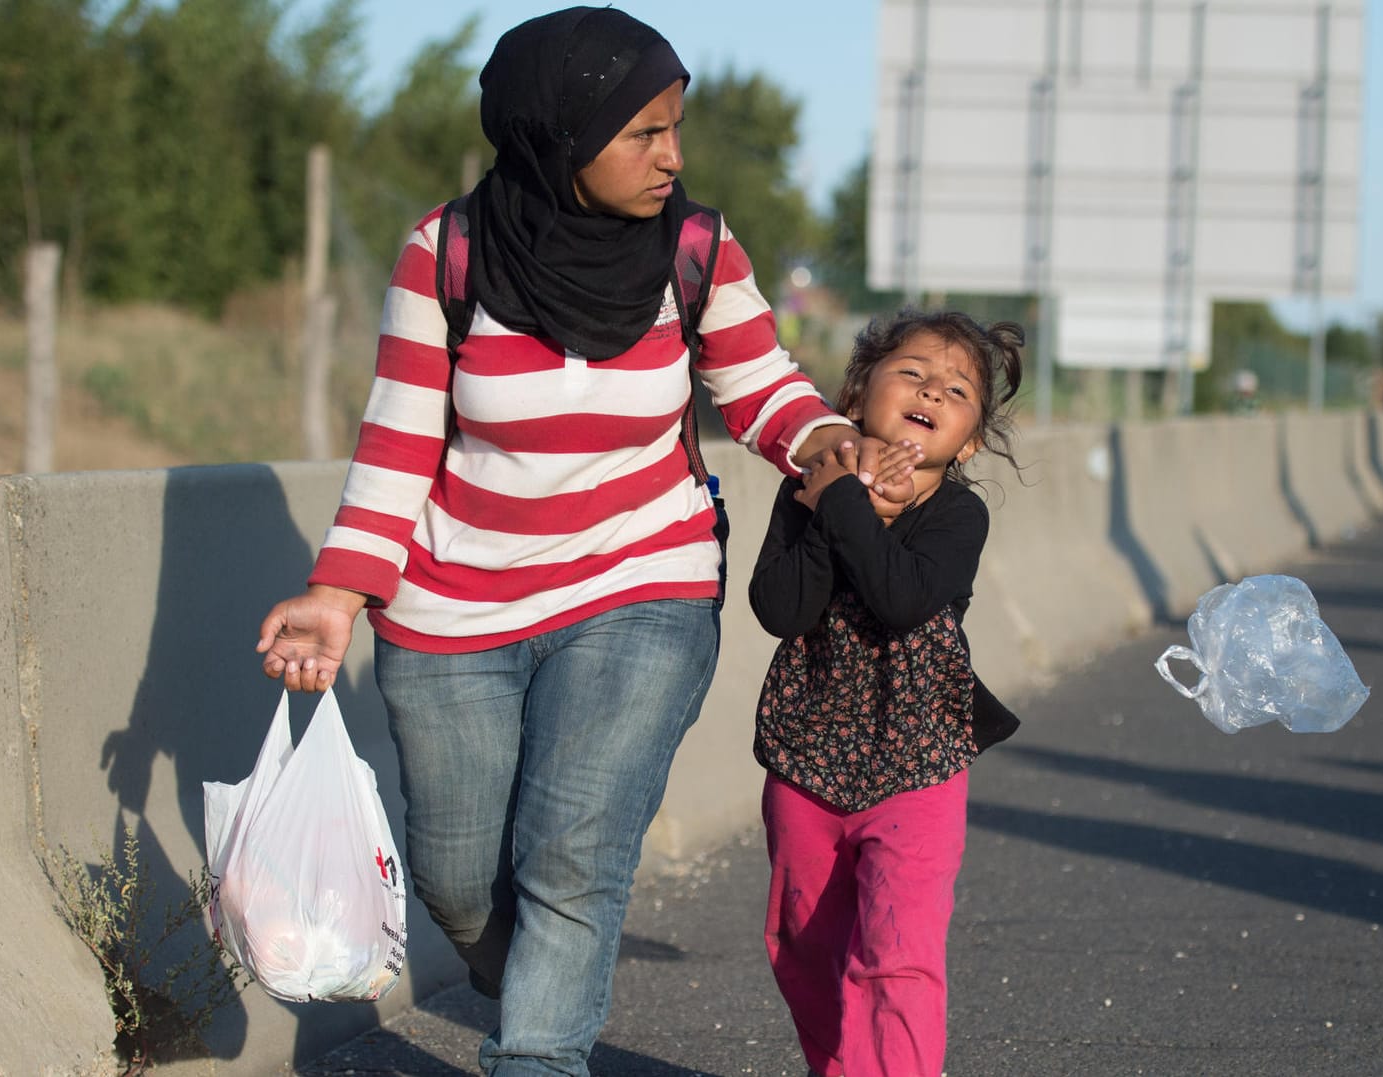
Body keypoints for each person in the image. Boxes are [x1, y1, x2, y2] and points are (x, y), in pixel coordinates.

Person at [253, 9, 921, 1074]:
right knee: (455, 879)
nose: (674, 156)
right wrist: (339, 593)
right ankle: (529, 986)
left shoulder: (695, 249)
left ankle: (537, 1056)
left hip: (641, 583)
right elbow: (397, 440)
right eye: (643, 135)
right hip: (452, 608)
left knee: (572, 855)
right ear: (555, 140)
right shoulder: (446, 254)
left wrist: (827, 440)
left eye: (675, 127)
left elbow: (758, 383)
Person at [748, 309, 1025, 1077]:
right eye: (912, 372)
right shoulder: (804, 488)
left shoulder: (957, 514)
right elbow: (781, 608)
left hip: (919, 763)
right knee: (804, 946)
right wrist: (832, 497)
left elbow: (902, 598)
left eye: (957, 389)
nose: (932, 388)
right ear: (859, 389)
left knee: (896, 956)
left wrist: (846, 509)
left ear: (966, 442)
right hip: (807, 757)